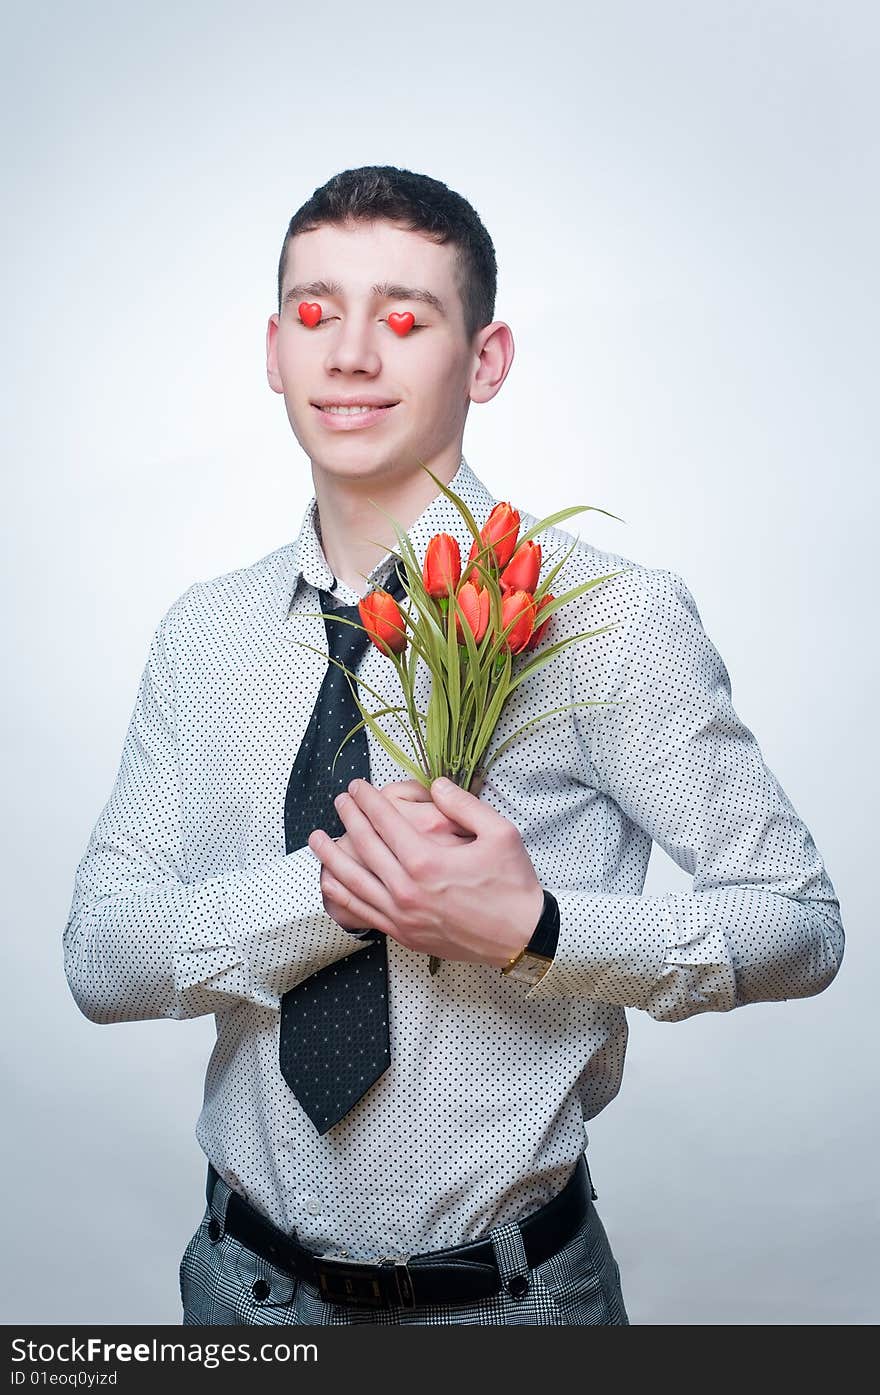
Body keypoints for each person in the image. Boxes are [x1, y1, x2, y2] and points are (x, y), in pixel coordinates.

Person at [63, 165, 845, 1327]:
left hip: (513, 1305)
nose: (353, 354)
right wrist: (338, 894)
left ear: (485, 360)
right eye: (318, 314)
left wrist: (533, 930)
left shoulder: (603, 616)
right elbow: (100, 958)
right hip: (239, 1292)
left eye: (407, 316)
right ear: (274, 349)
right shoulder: (203, 635)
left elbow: (799, 923)